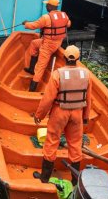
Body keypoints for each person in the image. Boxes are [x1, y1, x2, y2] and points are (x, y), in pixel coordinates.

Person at [32, 45, 90, 186]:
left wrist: (39, 115)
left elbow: (48, 99)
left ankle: (45, 178)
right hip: (77, 112)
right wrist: (85, 117)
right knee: (75, 145)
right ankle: (75, 181)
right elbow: (89, 98)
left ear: (63, 58)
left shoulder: (57, 74)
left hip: (59, 112)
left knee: (52, 142)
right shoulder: (86, 74)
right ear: (77, 59)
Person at [21, 0, 71, 91]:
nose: (45, 6)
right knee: (34, 43)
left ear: (50, 6)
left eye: (46, 5)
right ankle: (31, 69)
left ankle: (32, 89)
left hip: (48, 46)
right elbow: (68, 24)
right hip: (56, 43)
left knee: (40, 67)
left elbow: (33, 26)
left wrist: (26, 23)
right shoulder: (64, 15)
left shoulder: (46, 17)